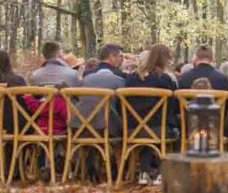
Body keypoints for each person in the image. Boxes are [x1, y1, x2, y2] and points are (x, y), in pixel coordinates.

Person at [123, 44, 178, 181]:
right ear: (165, 60)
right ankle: (162, 172)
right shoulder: (164, 79)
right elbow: (172, 108)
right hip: (158, 130)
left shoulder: (131, 79)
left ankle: (144, 170)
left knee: (147, 126)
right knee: (171, 129)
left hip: (131, 129)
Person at [73, 43, 127, 137]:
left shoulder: (86, 75)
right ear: (111, 57)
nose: (122, 60)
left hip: (79, 124)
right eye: (120, 56)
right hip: (107, 127)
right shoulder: (119, 77)